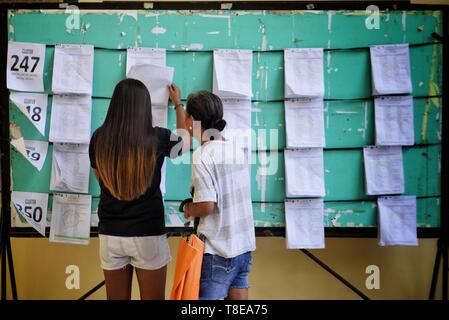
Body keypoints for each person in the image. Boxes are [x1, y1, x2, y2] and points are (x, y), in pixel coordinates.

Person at [89, 78, 189, 300]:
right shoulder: (157, 137)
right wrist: (178, 103)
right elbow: (185, 142)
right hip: (148, 233)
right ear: (145, 106)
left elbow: (100, 177)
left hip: (111, 233)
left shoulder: (99, 137)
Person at [168, 85, 256, 300]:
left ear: (192, 121)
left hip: (218, 252)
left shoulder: (203, 155)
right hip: (243, 249)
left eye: (187, 116)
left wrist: (188, 208)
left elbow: (206, 206)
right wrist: (179, 104)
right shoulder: (235, 149)